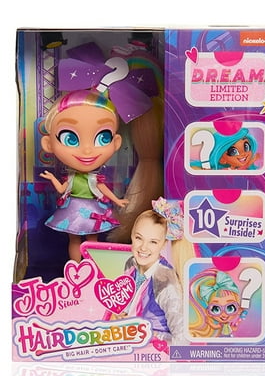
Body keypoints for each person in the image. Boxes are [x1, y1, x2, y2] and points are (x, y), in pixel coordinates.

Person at [40, 89, 129, 262]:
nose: (87, 150)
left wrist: (117, 201)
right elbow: (61, 189)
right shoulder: (71, 178)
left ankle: (91, 267)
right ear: (48, 144)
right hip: (72, 211)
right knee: (74, 240)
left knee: (92, 240)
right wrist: (52, 178)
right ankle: (75, 267)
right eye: (70, 138)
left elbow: (103, 189)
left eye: (103, 137)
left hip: (91, 210)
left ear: (116, 142)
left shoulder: (94, 178)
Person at [122, 209, 185, 345]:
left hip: (153, 349)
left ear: (163, 244)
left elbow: (182, 338)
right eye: (139, 238)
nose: (143, 248)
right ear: (132, 235)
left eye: (153, 242)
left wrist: (153, 337)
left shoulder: (165, 281)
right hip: (128, 341)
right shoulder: (131, 264)